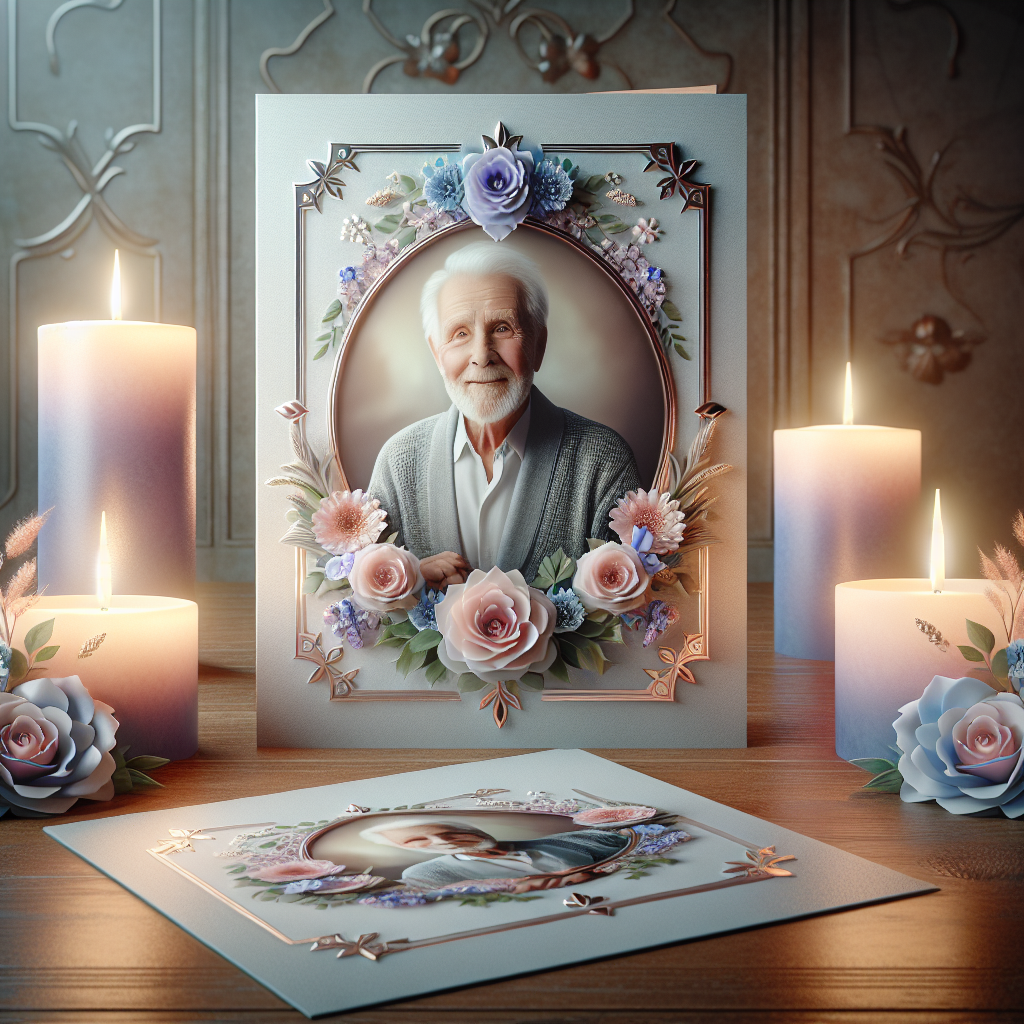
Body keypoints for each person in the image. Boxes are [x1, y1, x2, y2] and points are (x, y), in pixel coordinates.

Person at [366, 241, 641, 588]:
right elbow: (370, 606)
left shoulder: (603, 459)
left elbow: (624, 619)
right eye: (460, 333)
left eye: (502, 328)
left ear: (538, 345)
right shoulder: (397, 460)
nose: (482, 355)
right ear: (437, 354)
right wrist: (411, 583)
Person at [359, 817, 630, 891]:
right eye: (418, 840)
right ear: (406, 849)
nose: (440, 841)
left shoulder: (580, 838)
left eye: (449, 832)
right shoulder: (424, 874)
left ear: (469, 828)